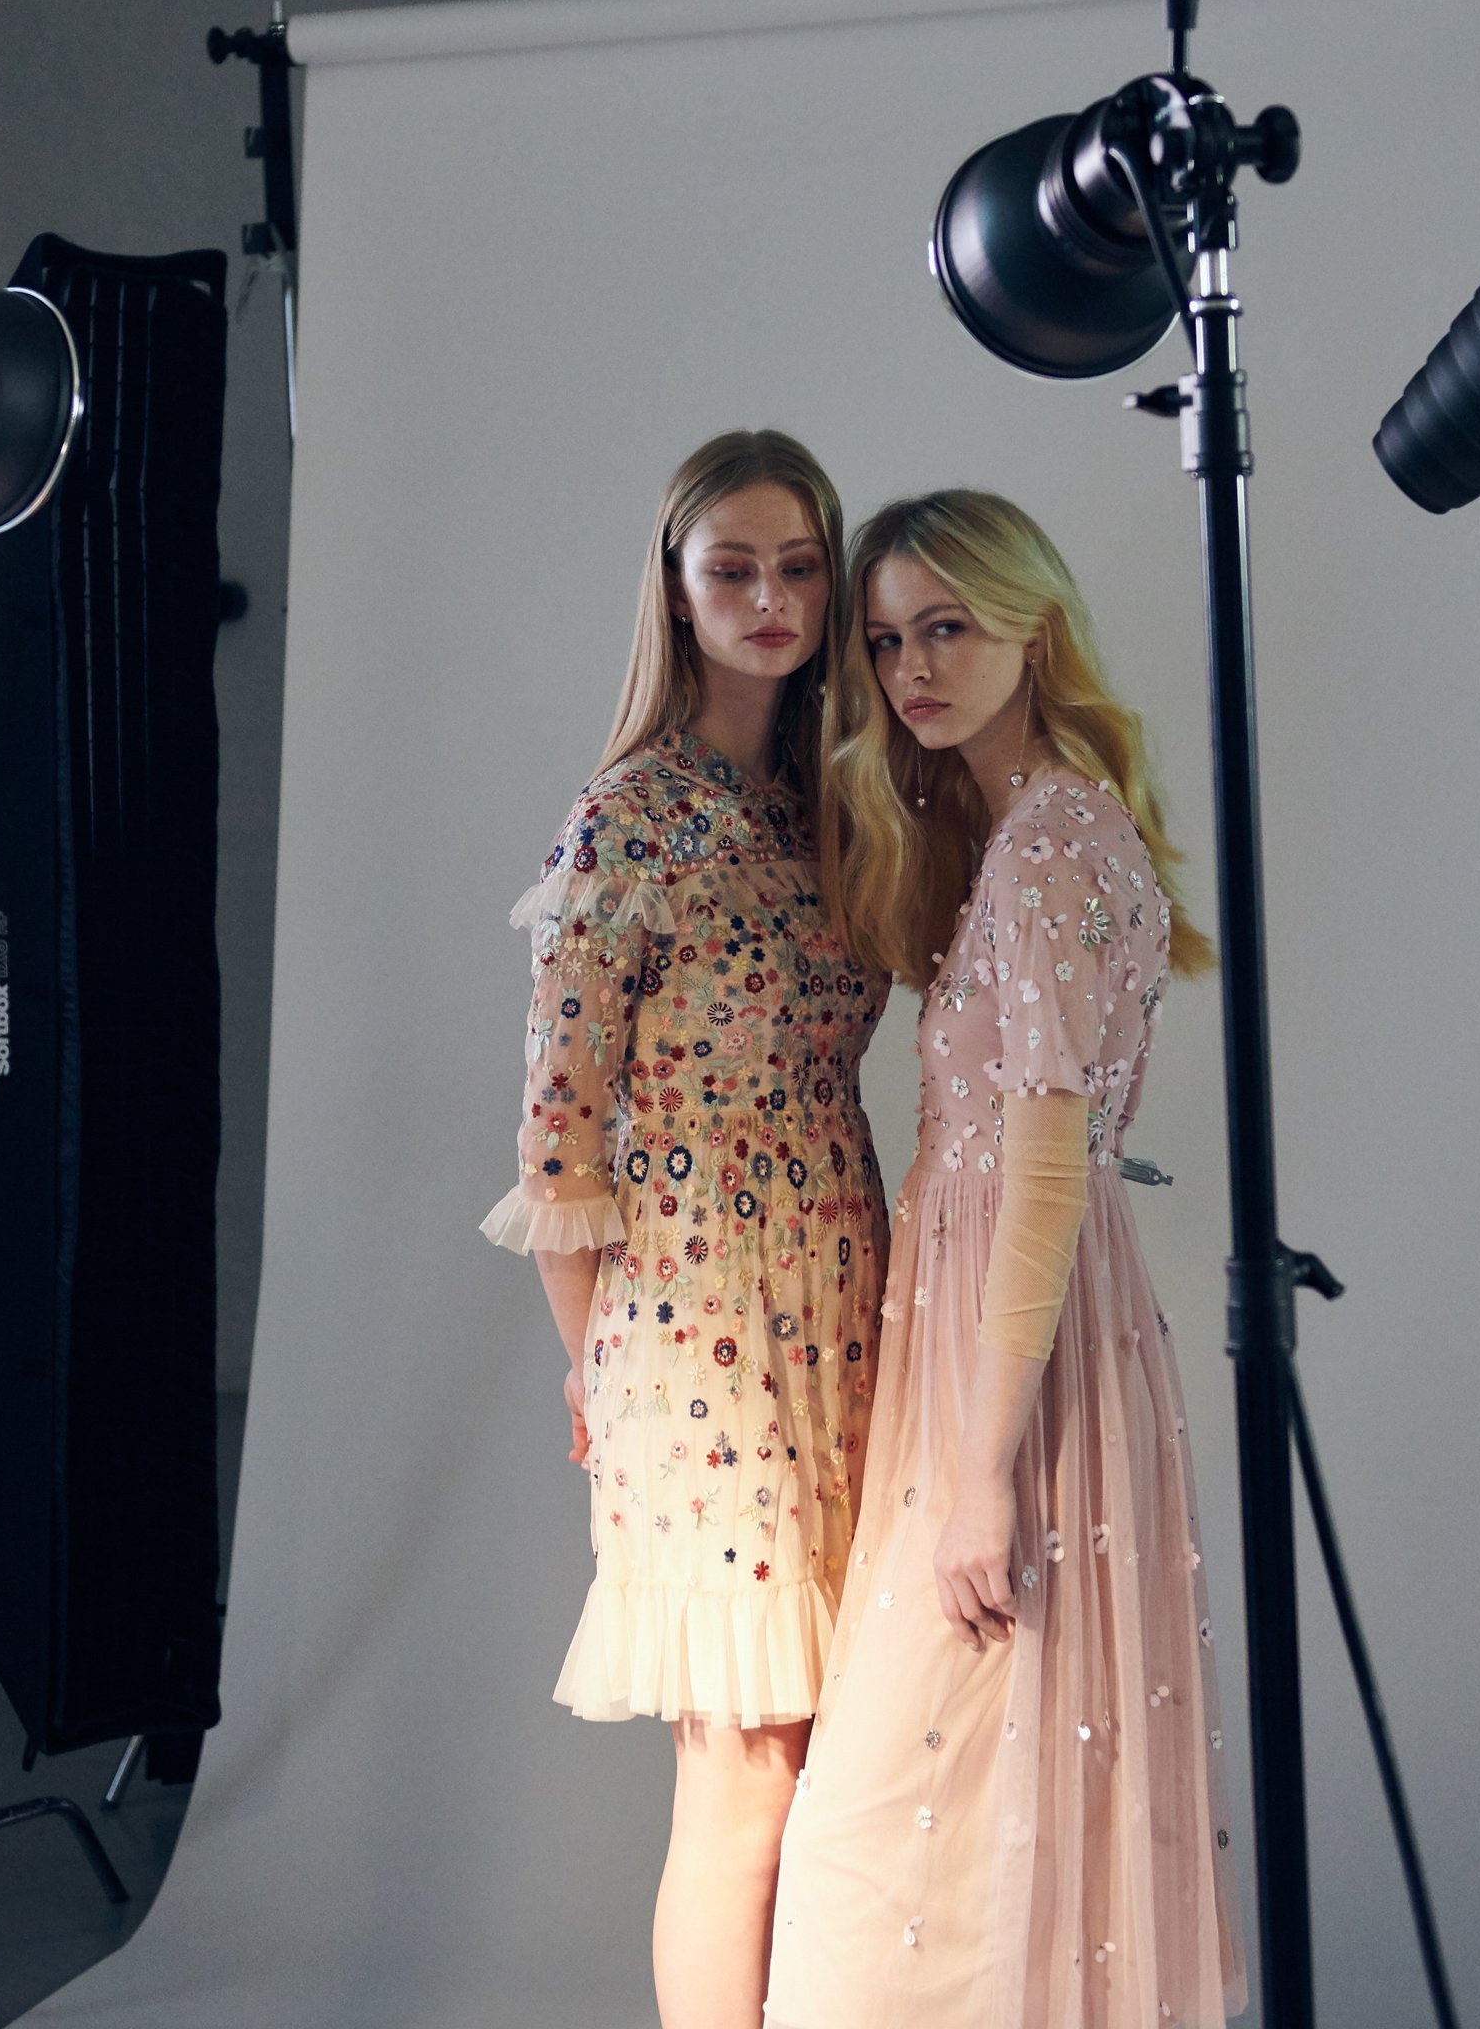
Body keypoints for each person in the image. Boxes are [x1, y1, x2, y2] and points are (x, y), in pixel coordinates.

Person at [765, 488, 1244, 2027]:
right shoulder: (1034, 832)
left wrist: (981, 1476)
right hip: (1002, 1342)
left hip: (1009, 1364)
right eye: (887, 640)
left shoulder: (1049, 852)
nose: (912, 668)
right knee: (971, 1785)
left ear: (1032, 627)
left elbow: (1040, 1171)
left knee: (893, 1807)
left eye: (948, 628)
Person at [482, 429, 889, 2029]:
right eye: (734, 568)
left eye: (800, 567)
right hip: (694, 1337)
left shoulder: (830, 805)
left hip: (844, 1308)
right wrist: (599, 1371)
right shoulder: (626, 821)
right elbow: (556, 1144)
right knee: (747, 1775)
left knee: (844, 1751)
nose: (770, 598)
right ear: (676, 587)